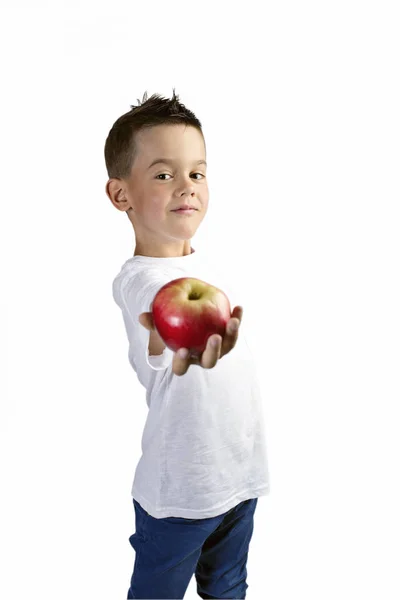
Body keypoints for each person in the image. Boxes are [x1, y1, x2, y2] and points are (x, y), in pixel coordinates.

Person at [105, 89, 271, 599]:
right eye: (163, 174)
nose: (186, 186)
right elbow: (155, 326)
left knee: (228, 586)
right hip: (179, 493)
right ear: (121, 195)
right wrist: (173, 340)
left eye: (196, 173)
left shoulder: (208, 267)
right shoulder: (141, 280)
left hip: (239, 476)